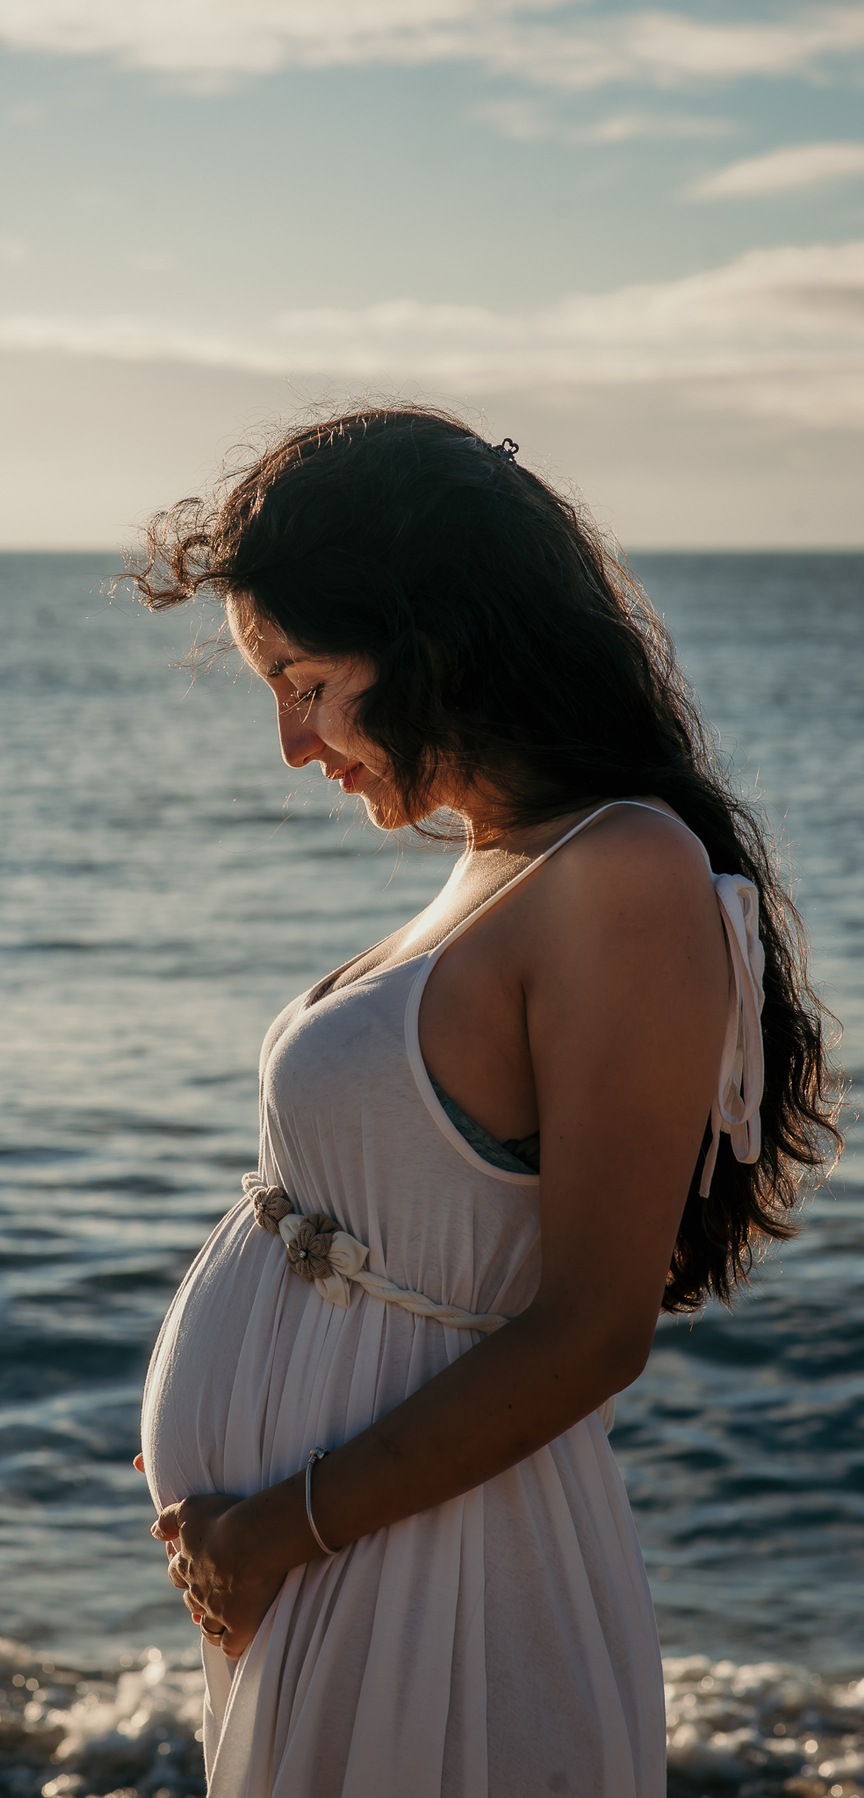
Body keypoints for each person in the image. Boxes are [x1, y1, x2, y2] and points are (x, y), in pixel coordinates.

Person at [126, 406, 840, 1797]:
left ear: (433, 640)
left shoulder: (621, 873)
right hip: (359, 1560)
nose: (291, 743)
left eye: (306, 679)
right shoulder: (497, 864)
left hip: (443, 1577)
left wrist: (277, 1528)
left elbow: (592, 1330)